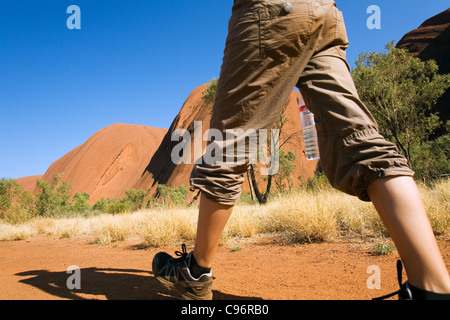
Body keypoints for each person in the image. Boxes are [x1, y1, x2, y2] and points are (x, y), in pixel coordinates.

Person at [152, 0, 450, 300]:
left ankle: (195, 272)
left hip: (270, 14)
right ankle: (433, 288)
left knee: (228, 146)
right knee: (363, 143)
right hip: (326, 16)